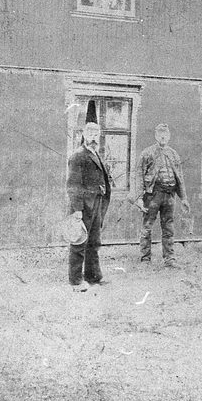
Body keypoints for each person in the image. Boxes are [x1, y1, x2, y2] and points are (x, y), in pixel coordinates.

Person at [132, 123, 191, 267]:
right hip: (153, 195)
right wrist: (139, 198)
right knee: (147, 226)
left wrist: (183, 198)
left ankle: (169, 259)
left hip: (170, 195)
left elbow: (180, 177)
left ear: (169, 136)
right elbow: (138, 175)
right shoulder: (147, 153)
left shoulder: (173, 154)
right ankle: (145, 259)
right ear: (155, 135)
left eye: (165, 133)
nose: (163, 136)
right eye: (160, 134)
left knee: (168, 227)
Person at [66, 120, 112, 291]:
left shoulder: (95, 153)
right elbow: (73, 185)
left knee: (94, 241)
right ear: (83, 134)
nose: (93, 136)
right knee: (79, 241)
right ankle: (76, 281)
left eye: (96, 133)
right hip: (84, 206)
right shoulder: (78, 155)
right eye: (90, 133)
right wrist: (77, 210)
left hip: (96, 204)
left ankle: (93, 276)